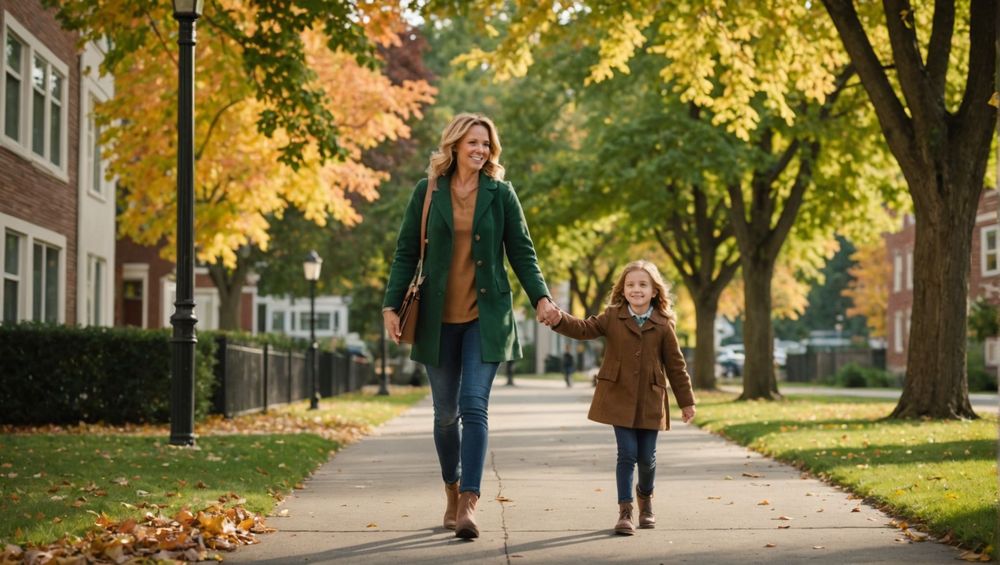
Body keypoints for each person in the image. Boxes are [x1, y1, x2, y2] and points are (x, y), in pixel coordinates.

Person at [382, 113, 561, 539]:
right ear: (455, 146)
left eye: (487, 144)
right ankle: (452, 485)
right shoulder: (427, 193)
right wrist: (391, 304)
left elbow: (522, 250)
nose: (481, 150)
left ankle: (469, 503)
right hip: (437, 320)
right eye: (474, 142)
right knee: (445, 415)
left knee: (473, 406)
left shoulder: (502, 194)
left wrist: (542, 297)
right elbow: (406, 251)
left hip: (487, 317)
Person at [542, 259, 696, 535]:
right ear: (623, 290)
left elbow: (676, 365)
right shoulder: (612, 317)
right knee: (626, 454)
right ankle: (625, 511)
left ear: (654, 291)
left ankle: (645, 500)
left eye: (642, 285)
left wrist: (686, 402)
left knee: (647, 459)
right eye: (630, 284)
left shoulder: (662, 325)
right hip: (618, 397)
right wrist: (559, 318)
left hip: (650, 399)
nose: (636, 289)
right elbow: (583, 328)